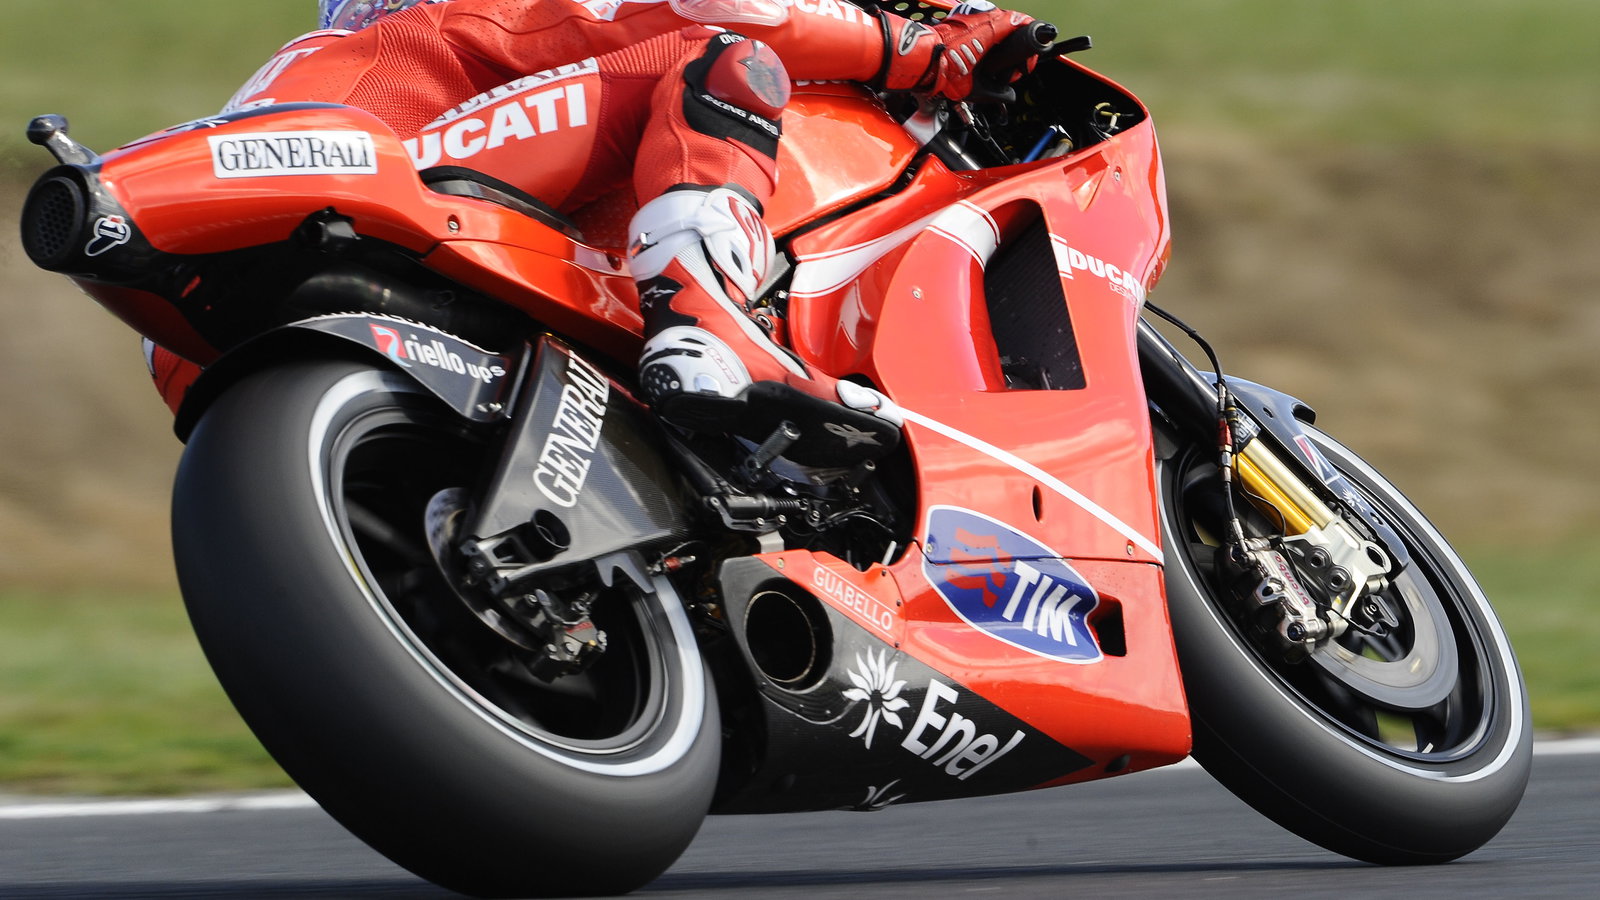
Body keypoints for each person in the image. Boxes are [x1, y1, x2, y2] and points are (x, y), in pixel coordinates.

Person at [178, 0, 1040, 463]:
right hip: (385, 200)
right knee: (712, 59)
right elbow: (732, 11)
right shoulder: (444, 20)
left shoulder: (314, 60)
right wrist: (925, 51)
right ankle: (704, 329)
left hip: (210, 340)